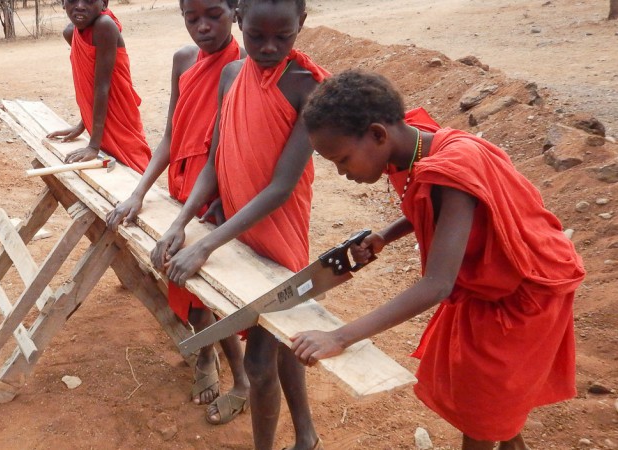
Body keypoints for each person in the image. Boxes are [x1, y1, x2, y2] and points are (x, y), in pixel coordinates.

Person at [291, 70, 585, 450]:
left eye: (342, 159)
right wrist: (386, 235)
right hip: (490, 285)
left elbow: (437, 284)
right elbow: (435, 206)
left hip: (524, 293)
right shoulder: (420, 145)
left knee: (481, 406)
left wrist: (339, 336)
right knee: (485, 388)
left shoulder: (452, 168)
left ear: (378, 135)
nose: (342, 173)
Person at [152, 0, 330, 446]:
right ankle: (306, 435)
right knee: (280, 333)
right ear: (239, 22)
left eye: (283, 37)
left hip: (280, 234)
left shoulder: (307, 86)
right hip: (238, 230)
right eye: (256, 36)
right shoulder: (231, 75)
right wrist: (181, 222)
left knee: (258, 362)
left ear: (301, 24)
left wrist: (206, 244)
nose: (268, 47)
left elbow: (281, 187)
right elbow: (215, 161)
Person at [105, 0, 248, 425]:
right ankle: (206, 354)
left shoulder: (245, 65)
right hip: (181, 188)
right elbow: (171, 134)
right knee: (186, 288)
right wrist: (139, 192)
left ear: (234, 10)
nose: (203, 27)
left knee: (214, 292)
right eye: (192, 17)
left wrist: (207, 210)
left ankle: (242, 379)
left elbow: (233, 149)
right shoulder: (184, 60)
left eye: (214, 15)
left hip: (219, 199)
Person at [45, 0, 151, 173]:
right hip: (101, 118)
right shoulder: (71, 32)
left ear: (104, 3)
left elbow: (103, 86)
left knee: (133, 171)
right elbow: (89, 83)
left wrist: (94, 146)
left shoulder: (104, 25)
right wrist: (83, 124)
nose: (80, 6)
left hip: (119, 113)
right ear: (63, 3)